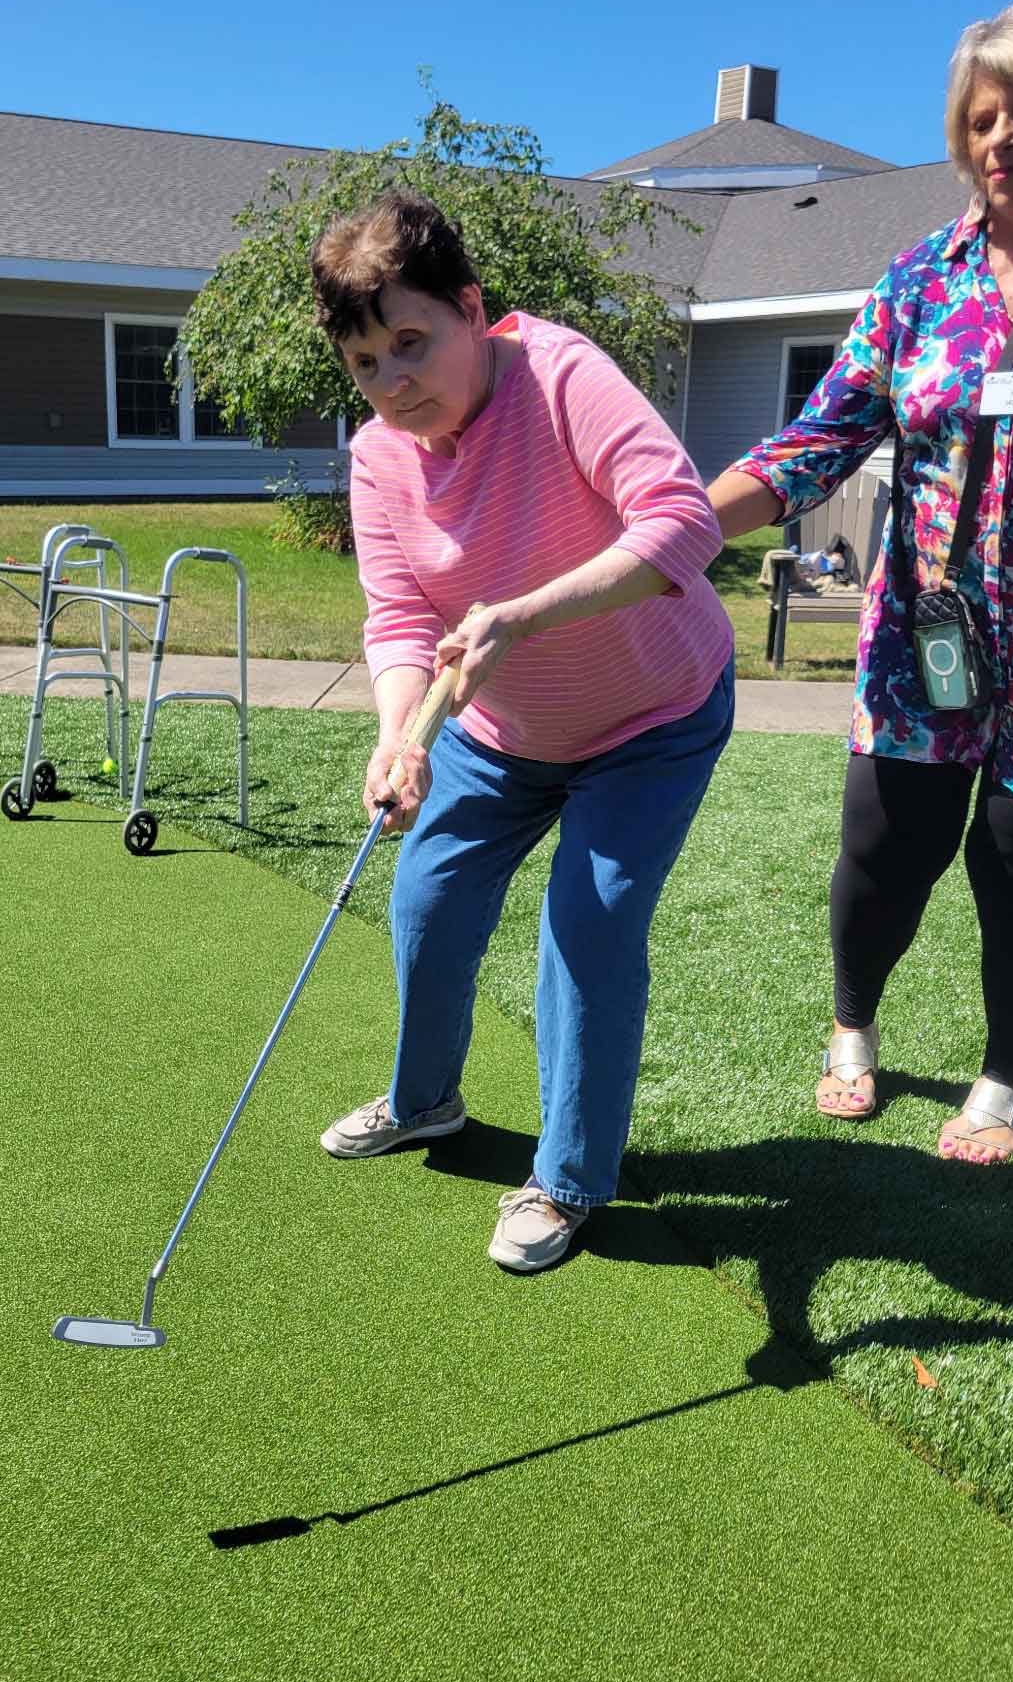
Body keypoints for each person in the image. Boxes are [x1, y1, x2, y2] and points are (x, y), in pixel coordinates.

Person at [708, 1, 1013, 1163]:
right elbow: (821, 438)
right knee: (885, 838)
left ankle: (1007, 1078)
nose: (1004, 135)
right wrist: (686, 524)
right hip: (929, 627)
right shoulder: (919, 281)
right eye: (982, 116)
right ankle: (853, 1024)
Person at [308, 191, 735, 1270]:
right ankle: (425, 1101)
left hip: (651, 715)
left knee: (588, 928)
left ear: (470, 308)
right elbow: (400, 616)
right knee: (426, 899)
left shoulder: (559, 374)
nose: (392, 381)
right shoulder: (378, 455)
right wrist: (400, 735)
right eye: (365, 363)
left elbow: (684, 522)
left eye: (412, 342)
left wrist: (523, 614)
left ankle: (570, 1177)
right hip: (499, 729)